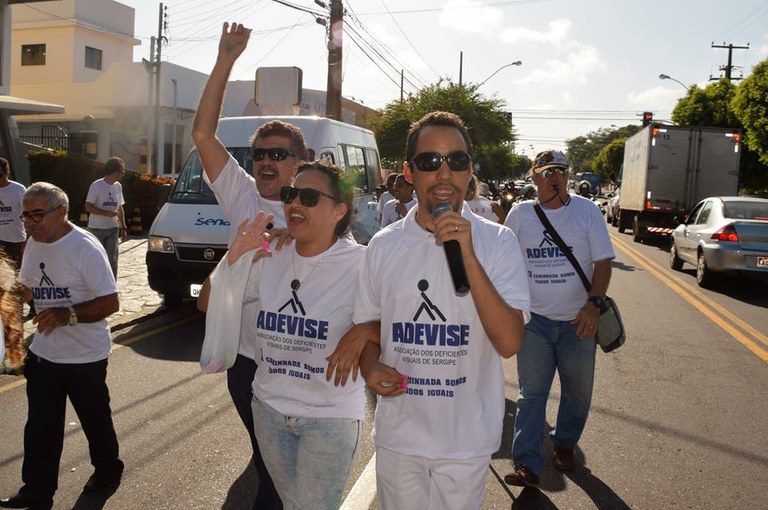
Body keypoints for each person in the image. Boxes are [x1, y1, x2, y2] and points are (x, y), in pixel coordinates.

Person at [353, 111, 530, 510]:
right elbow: (367, 327)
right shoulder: (382, 246)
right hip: (400, 440)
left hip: (464, 442)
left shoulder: (498, 243)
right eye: (430, 162)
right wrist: (369, 365)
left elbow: (509, 341)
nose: (445, 173)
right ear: (409, 172)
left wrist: (468, 254)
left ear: (471, 170)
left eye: (457, 161)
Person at [191, 21, 309, 510]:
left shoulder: (320, 204)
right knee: (267, 465)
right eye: (260, 154)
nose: (267, 161)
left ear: (302, 162)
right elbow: (202, 132)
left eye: (279, 155)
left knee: (292, 471)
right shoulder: (240, 193)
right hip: (246, 361)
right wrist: (226, 60)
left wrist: (298, 234)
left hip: (301, 359)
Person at [206, 160, 368, 509]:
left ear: (339, 210)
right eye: (290, 194)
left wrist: (365, 330)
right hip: (269, 410)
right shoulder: (271, 254)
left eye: (309, 197)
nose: (294, 203)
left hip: (329, 416)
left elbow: (398, 316)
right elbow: (209, 302)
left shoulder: (363, 263)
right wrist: (234, 257)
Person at [0, 183, 123, 510]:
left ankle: (108, 470)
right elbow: (28, 287)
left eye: (38, 215)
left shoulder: (85, 247)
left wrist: (67, 314)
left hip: (86, 357)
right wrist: (14, 294)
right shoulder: (34, 243)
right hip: (44, 354)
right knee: (40, 427)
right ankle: (36, 492)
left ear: (62, 212)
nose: (30, 223)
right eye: (26, 216)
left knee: (95, 420)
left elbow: (111, 302)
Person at [503, 150, 615, 488]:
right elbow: (502, 259)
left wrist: (593, 304)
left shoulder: (587, 211)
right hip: (533, 322)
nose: (556, 178)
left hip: (578, 322)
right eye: (548, 172)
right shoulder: (520, 214)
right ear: (534, 177)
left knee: (578, 392)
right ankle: (527, 464)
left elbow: (603, 263)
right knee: (531, 393)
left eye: (561, 172)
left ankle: (564, 443)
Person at [85, 157, 127, 279]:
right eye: (122, 172)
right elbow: (88, 207)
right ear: (115, 172)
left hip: (113, 229)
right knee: (97, 260)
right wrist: (105, 213)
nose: (123, 175)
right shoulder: (96, 186)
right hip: (96, 229)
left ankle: (111, 288)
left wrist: (123, 227)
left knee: (112, 260)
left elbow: (120, 208)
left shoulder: (118, 186)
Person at [0, 157, 27, 268]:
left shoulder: (19, 190)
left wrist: (28, 241)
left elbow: (28, 215)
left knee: (15, 275)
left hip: (16, 240)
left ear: (7, 172)